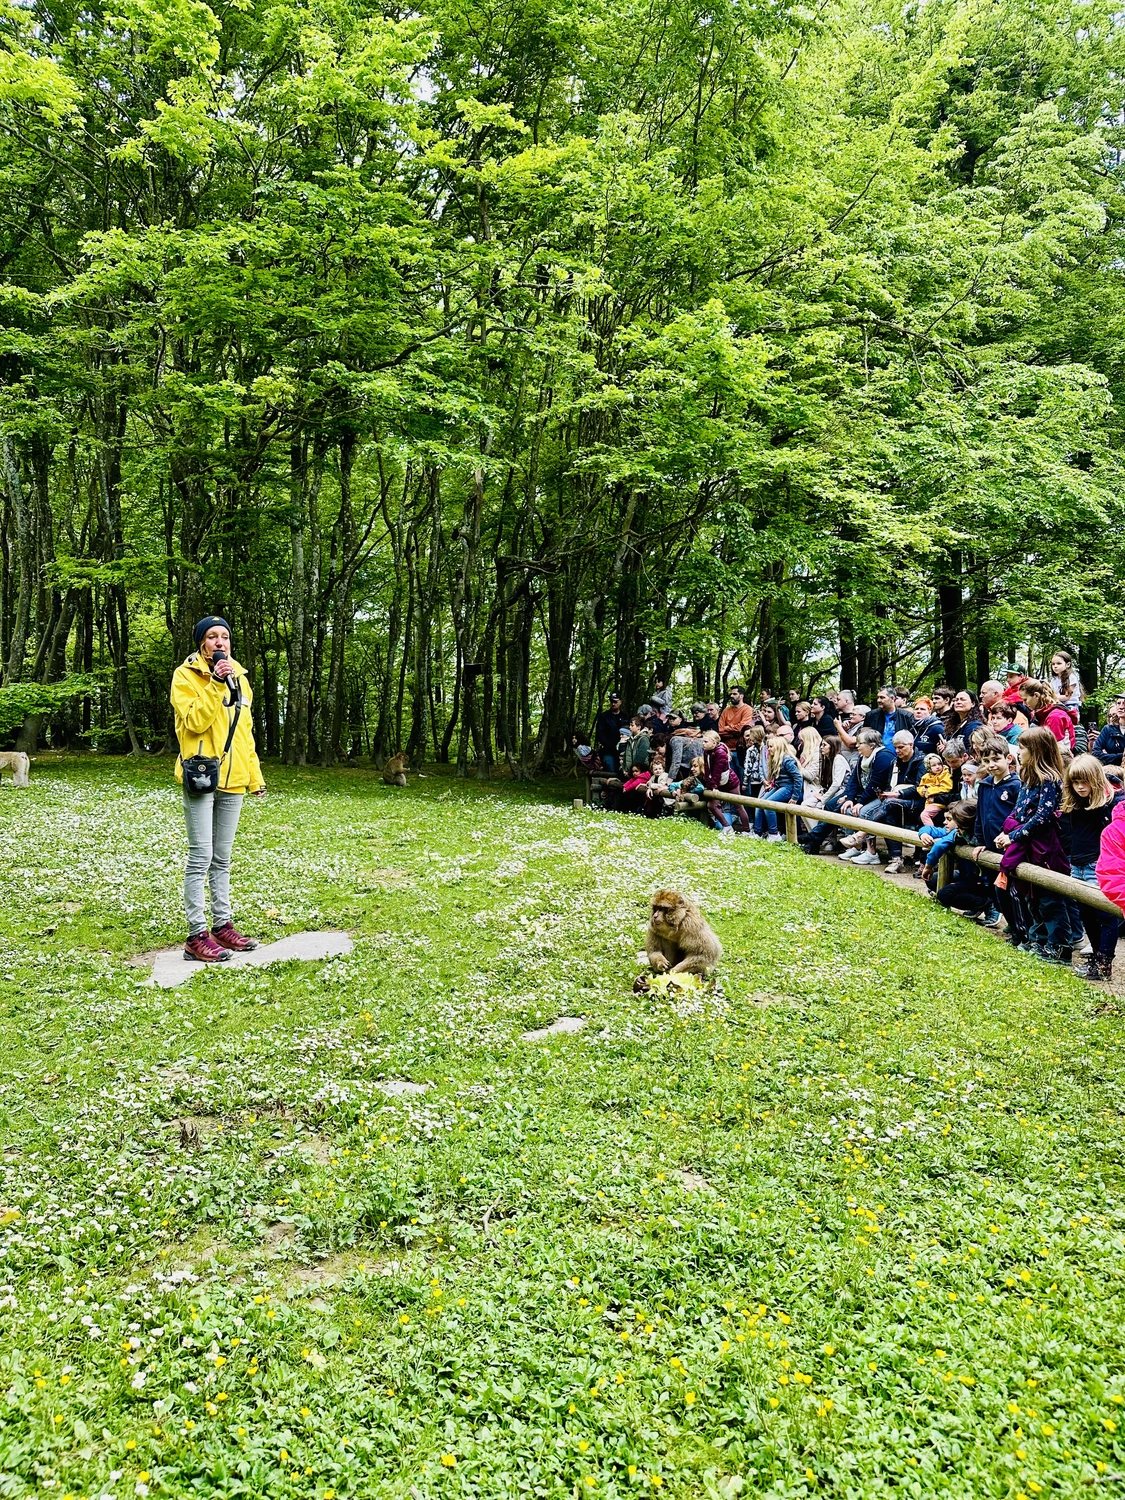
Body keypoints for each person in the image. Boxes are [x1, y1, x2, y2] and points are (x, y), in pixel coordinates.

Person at [171, 616, 266, 963]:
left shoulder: (240, 678)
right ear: (202, 643)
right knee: (201, 857)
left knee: (222, 859)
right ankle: (196, 935)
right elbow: (196, 722)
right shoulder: (185, 676)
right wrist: (214, 682)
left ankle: (222, 926)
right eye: (212, 636)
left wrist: (254, 776)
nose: (219, 642)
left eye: (224, 636)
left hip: (235, 778)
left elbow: (244, 733)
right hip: (202, 774)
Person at [994, 727, 1072, 964]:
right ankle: (1039, 939)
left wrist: (1014, 836)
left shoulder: (1050, 780)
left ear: (1036, 751)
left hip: (1044, 847)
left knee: (1049, 899)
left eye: (1023, 748)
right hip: (1025, 846)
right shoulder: (1027, 779)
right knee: (1031, 896)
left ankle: (1060, 947)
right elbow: (1018, 811)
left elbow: (1042, 817)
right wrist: (1006, 831)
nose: (1019, 752)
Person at [1061, 755, 1122, 981]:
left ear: (1095, 779)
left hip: (1098, 866)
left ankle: (1105, 962)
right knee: (1086, 915)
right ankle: (1097, 957)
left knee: (1105, 915)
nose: (1080, 787)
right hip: (1077, 864)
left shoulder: (1110, 803)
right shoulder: (1075, 802)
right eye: (1075, 782)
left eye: (1084, 781)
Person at [850, 730, 924, 873]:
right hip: (895, 803)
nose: (897, 751)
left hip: (917, 803)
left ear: (911, 744)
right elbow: (890, 785)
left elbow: (921, 788)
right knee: (889, 813)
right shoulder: (894, 762)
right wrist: (885, 793)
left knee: (889, 805)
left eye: (901, 747)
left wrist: (898, 793)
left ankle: (862, 833)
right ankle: (896, 860)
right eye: (895, 747)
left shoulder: (921, 761)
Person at [837, 728, 896, 863]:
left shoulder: (883, 757)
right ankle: (856, 847)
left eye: (860, 743)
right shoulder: (862, 757)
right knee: (847, 809)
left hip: (883, 796)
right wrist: (850, 798)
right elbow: (854, 780)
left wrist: (861, 802)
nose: (857, 746)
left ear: (872, 745)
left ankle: (871, 853)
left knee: (864, 812)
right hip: (868, 795)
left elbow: (876, 784)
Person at [922, 801, 988, 912]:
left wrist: (928, 866)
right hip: (966, 875)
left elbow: (940, 845)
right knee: (933, 880)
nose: (944, 822)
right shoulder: (956, 833)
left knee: (944, 894)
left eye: (950, 819)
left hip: (982, 879)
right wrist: (923, 834)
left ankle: (988, 906)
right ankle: (974, 903)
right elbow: (932, 831)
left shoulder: (980, 835)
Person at [754, 733, 804, 839]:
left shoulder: (787, 760)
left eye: (771, 747)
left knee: (769, 804)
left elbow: (798, 778)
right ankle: (757, 832)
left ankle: (773, 834)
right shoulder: (774, 760)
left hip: (788, 788)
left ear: (778, 747)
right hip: (779, 786)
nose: (768, 749)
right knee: (760, 803)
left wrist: (795, 797)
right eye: (768, 747)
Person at [701, 728, 750, 833]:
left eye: (706, 741)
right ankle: (727, 826)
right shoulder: (706, 752)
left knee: (738, 806)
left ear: (714, 742)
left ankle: (746, 830)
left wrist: (714, 787)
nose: (703, 744)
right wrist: (709, 785)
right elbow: (707, 768)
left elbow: (717, 771)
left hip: (730, 782)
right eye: (703, 741)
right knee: (712, 805)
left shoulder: (720, 752)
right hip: (718, 783)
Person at [921, 738, 968, 826]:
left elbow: (961, 796)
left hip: (958, 806)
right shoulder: (944, 768)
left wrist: (936, 798)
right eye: (947, 761)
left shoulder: (967, 773)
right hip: (940, 801)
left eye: (954, 761)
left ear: (964, 757)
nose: (951, 765)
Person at [1021, 680, 1076, 753]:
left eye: (1025, 699)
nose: (1024, 704)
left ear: (1036, 695)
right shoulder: (1042, 715)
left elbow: (1055, 750)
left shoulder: (1055, 717)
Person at [863, 686, 914, 752]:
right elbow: (864, 738)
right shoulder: (871, 716)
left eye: (882, 697)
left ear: (892, 698)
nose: (878, 700)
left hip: (899, 755)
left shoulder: (906, 717)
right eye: (878, 697)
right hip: (876, 754)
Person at [595, 692, 628, 770]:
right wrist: (611, 745)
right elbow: (600, 734)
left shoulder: (625, 716)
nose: (613, 704)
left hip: (623, 751)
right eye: (611, 702)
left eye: (615, 702)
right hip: (608, 751)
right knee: (611, 769)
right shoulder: (604, 716)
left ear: (620, 702)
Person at [1092, 696, 1125, 766]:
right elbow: (1095, 754)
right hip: (1111, 770)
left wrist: (1107, 756)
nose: (1121, 707)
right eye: (1118, 703)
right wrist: (1120, 756)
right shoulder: (1108, 729)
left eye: (1124, 703)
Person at [1050, 651, 1083, 718]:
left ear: (1068, 664)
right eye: (1053, 664)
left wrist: (1051, 696)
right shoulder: (1054, 680)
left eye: (1059, 663)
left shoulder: (1071, 678)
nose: (1055, 666)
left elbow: (1066, 697)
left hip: (1070, 706)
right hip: (1057, 705)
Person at [740, 722, 767, 798]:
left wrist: (745, 783)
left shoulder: (751, 750)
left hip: (756, 779)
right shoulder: (768, 747)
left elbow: (748, 767)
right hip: (766, 778)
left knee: (755, 798)